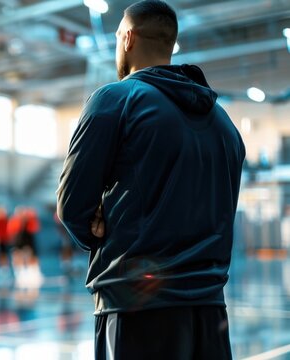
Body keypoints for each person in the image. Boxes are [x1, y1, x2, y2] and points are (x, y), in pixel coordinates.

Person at [56, 1, 245, 359]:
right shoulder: (225, 125)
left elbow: (71, 207)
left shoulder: (116, 99)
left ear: (127, 38)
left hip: (134, 306)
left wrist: (101, 225)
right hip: (210, 309)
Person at [9, 207, 42, 287]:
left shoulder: (29, 222)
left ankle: (35, 273)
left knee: (30, 257)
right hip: (18, 240)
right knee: (17, 257)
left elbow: (35, 228)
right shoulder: (14, 222)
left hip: (27, 240)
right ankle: (20, 274)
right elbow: (11, 231)